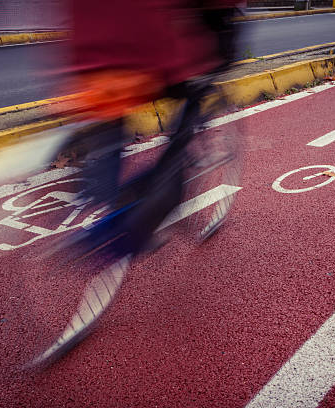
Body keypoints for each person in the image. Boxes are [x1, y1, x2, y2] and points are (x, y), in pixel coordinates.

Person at [60, 0, 240, 260]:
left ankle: (105, 197)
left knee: (109, 115)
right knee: (189, 101)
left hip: (88, 47)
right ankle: (145, 212)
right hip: (146, 45)